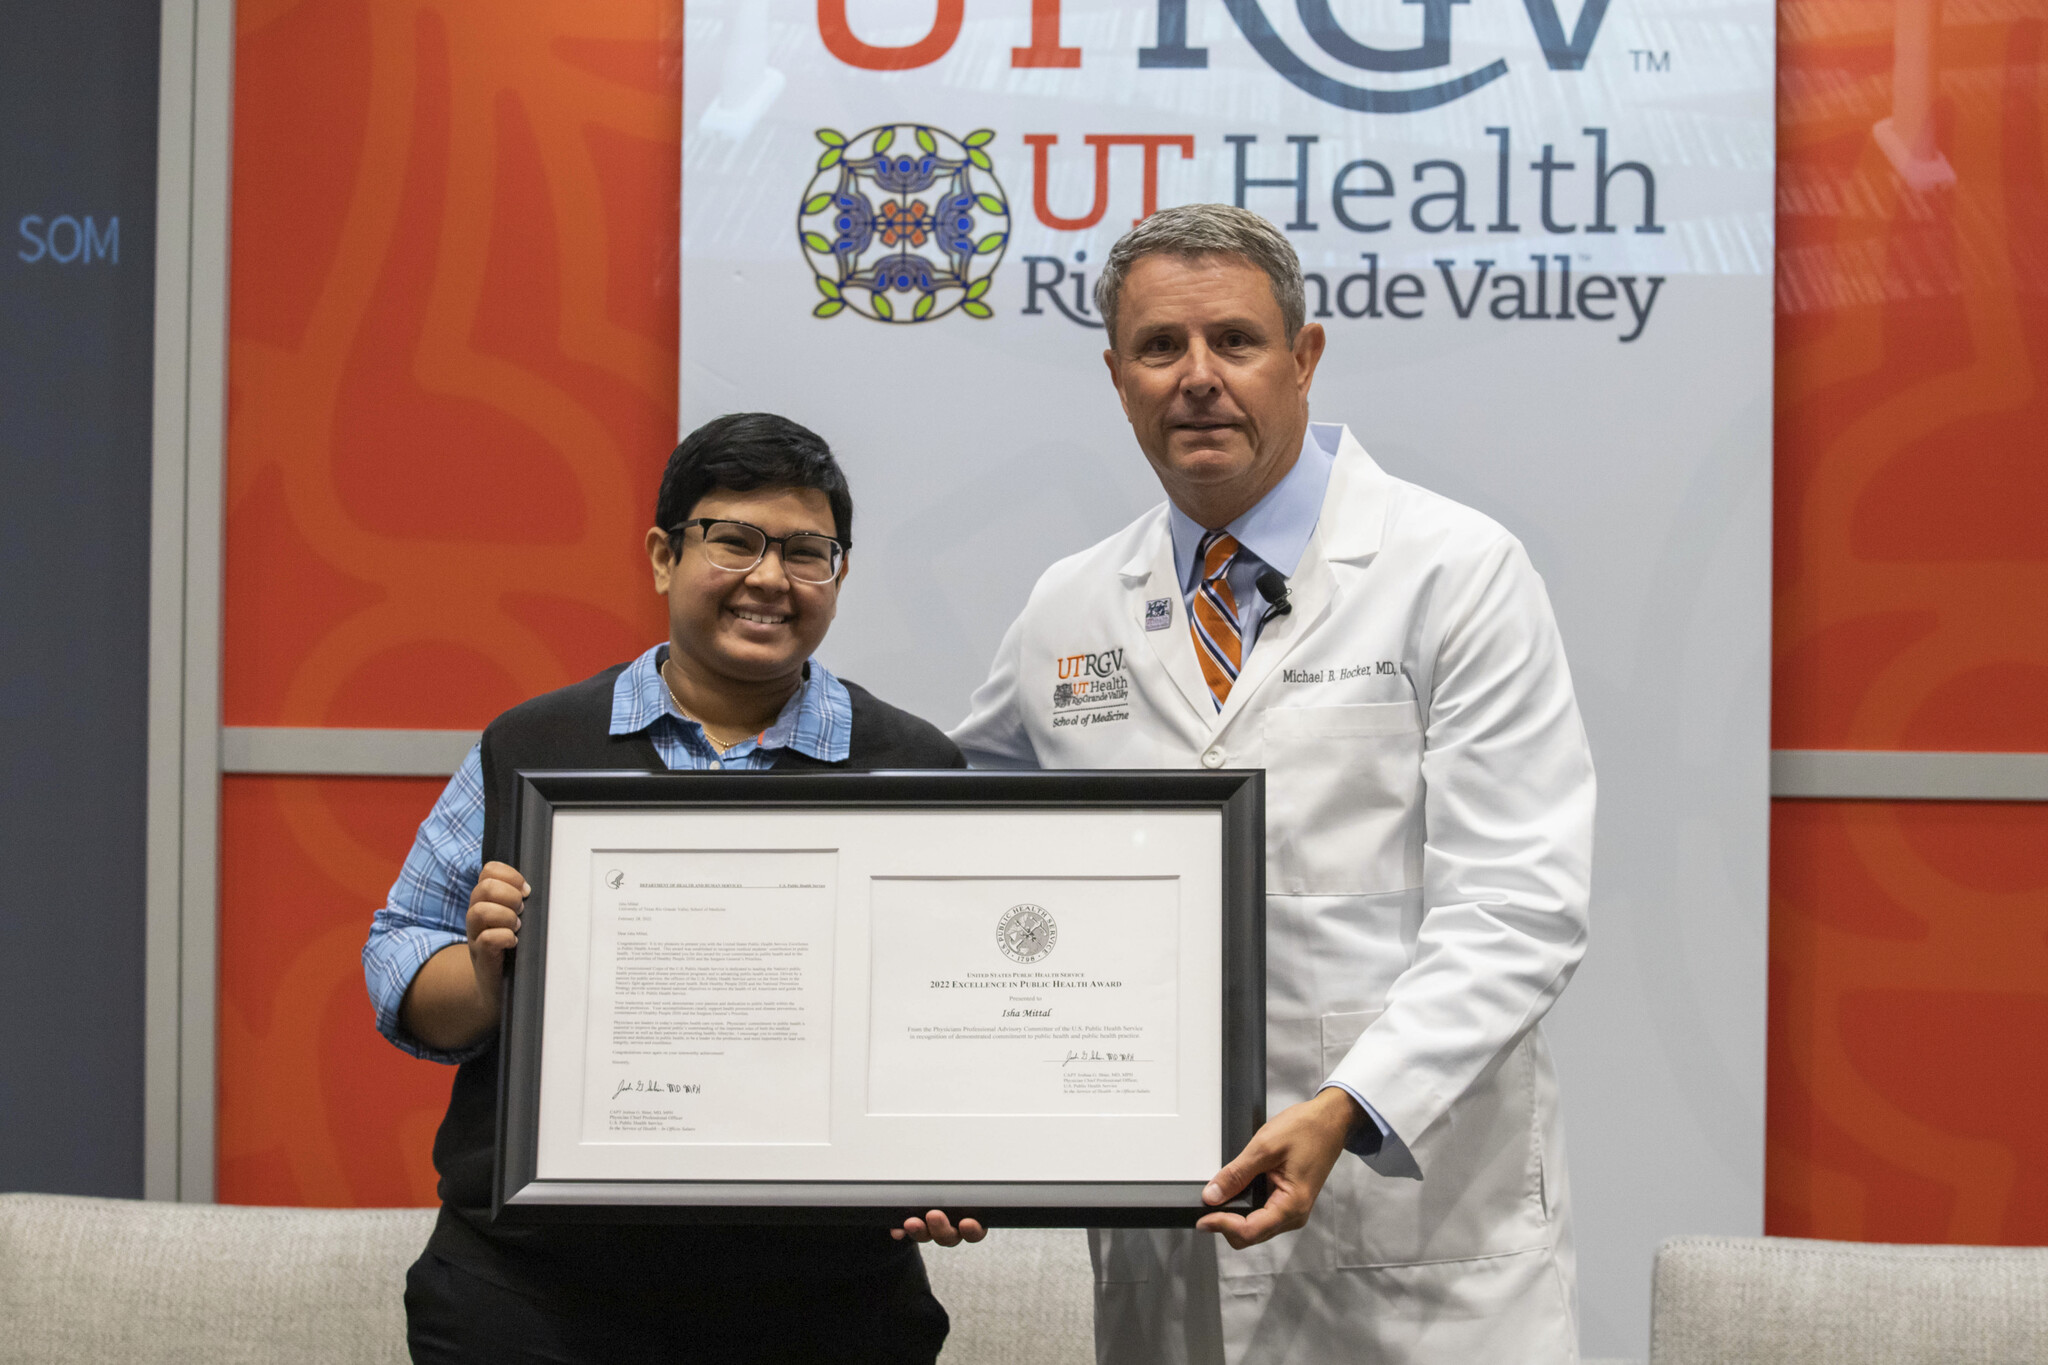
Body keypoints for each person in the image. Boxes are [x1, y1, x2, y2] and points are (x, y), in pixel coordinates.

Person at [950, 205, 1596, 1363]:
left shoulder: (1455, 571)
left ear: (1302, 358)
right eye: (1158, 349)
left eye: (1234, 342)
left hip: (1416, 1243)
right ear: (1114, 376)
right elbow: (942, 845)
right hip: (1167, 1240)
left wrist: (1347, 1105)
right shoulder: (1071, 606)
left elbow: (1518, 903)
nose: (1196, 379)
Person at [365, 413, 984, 1365]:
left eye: (807, 552)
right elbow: (401, 952)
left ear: (839, 574)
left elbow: (958, 1012)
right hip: (534, 1298)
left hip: (825, 1304)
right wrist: (490, 980)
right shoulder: (531, 747)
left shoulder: (915, 767)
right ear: (663, 555)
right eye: (733, 540)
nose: (769, 577)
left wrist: (964, 1154)